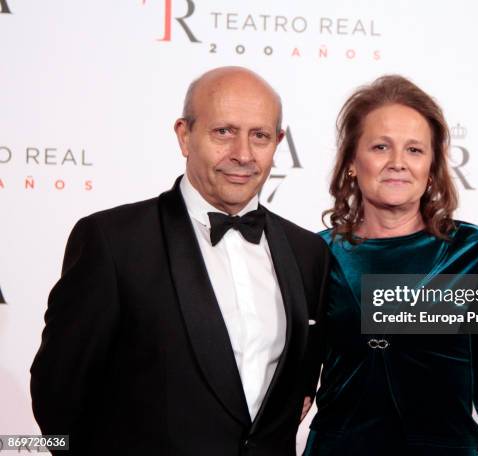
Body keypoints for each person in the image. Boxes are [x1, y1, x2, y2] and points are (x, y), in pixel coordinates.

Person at [30, 66, 329, 456]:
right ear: (184, 135)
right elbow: (58, 393)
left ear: (279, 143)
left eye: (260, 136)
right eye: (223, 131)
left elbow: (301, 385)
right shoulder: (114, 242)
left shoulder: (308, 252)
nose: (242, 154)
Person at [303, 75, 478, 455]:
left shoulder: (475, 252)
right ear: (352, 162)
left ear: (432, 167)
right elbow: (290, 390)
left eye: (415, 150)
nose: (398, 163)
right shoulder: (316, 255)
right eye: (381, 146)